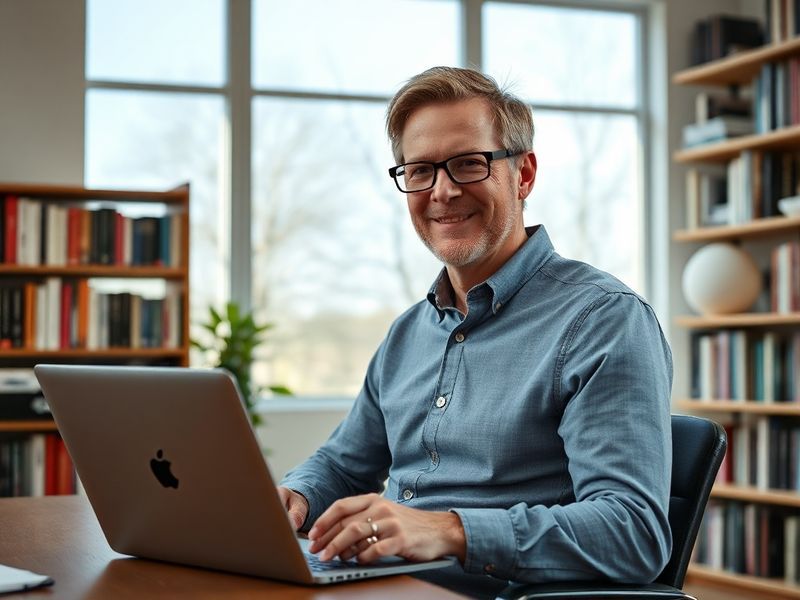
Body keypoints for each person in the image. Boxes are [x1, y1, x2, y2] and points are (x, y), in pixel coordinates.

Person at [278, 66, 672, 599]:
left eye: (468, 164)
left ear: (523, 175)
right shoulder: (408, 333)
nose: (441, 192)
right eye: (419, 170)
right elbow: (344, 464)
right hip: (382, 585)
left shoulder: (603, 319)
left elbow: (632, 533)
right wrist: (296, 496)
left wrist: (448, 531)